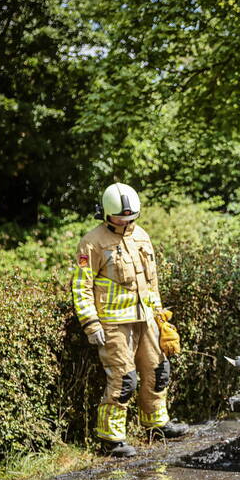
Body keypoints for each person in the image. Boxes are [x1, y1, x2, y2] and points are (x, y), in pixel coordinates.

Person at [70, 183, 189, 458]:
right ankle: (111, 439)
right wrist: (91, 323)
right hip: (113, 323)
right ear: (105, 214)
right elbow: (81, 286)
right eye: (119, 217)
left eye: (130, 217)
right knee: (124, 380)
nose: (125, 221)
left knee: (159, 371)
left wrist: (161, 319)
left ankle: (156, 424)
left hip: (146, 318)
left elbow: (152, 281)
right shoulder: (93, 242)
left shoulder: (142, 237)